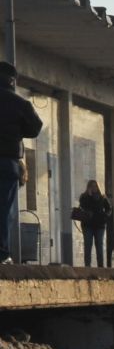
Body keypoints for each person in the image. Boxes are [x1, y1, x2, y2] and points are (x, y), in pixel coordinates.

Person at [0, 62, 43, 263]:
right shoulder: (20, 103)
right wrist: (17, 131)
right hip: (7, 161)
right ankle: (2, 253)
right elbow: (35, 127)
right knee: (4, 208)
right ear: (12, 80)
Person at [78, 179, 112, 267]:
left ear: (98, 187)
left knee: (99, 246)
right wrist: (89, 196)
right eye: (91, 186)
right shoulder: (84, 197)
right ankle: (87, 266)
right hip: (87, 225)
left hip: (99, 225)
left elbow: (109, 209)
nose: (93, 188)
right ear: (88, 187)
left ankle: (100, 266)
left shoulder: (102, 197)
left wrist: (104, 217)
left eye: (95, 186)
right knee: (88, 245)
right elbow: (83, 206)